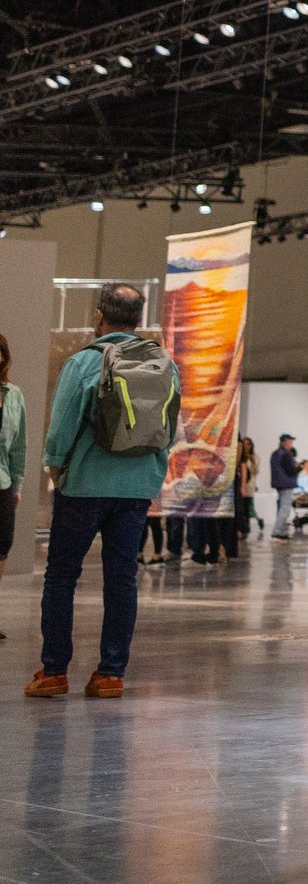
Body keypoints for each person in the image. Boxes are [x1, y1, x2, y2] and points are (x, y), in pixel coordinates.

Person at [28, 283, 177, 700]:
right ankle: (111, 673)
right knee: (121, 578)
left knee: (61, 577)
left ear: (99, 315)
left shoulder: (83, 363)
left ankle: (54, 671)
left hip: (84, 486)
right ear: (138, 318)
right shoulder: (166, 365)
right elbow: (170, 430)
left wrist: (58, 473)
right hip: (135, 490)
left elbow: (60, 430)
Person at [0, 335, 21, 638]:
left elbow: (20, 446)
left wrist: (17, 485)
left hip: (3, 483)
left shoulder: (13, 394)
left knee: (1, 548)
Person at [268, 435, 303, 542]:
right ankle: (277, 533)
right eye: (290, 442)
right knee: (285, 509)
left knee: (283, 508)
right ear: (285, 442)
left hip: (279, 483)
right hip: (286, 483)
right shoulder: (286, 454)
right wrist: (299, 468)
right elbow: (291, 470)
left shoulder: (276, 453)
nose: (291, 444)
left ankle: (282, 532)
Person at [233, 438, 259, 552]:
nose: (246, 446)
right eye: (244, 444)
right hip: (241, 486)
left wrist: (251, 460)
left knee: (246, 508)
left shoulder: (253, 457)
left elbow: (255, 471)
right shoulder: (239, 456)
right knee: (241, 508)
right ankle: (241, 529)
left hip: (249, 486)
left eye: (248, 444)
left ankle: (245, 529)